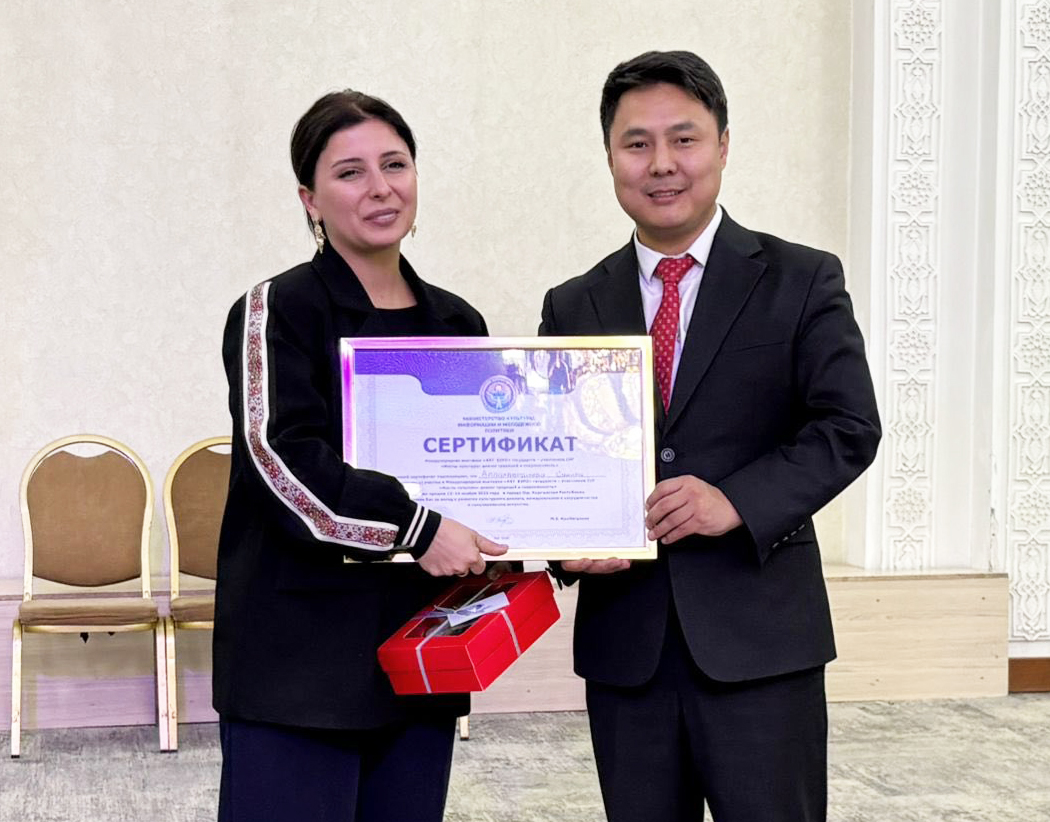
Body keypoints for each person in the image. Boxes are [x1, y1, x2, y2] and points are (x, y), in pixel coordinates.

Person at [539, 51, 881, 822]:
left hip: (761, 643)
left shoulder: (801, 278)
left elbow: (848, 426)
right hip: (628, 651)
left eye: (684, 139)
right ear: (610, 157)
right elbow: (558, 453)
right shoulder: (573, 304)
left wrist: (735, 501)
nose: (661, 164)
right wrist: (566, 543)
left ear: (722, 146)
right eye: (637, 143)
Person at [213, 90, 506, 822]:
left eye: (394, 164)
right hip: (298, 663)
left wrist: (557, 531)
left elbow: (487, 467)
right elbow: (281, 462)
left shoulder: (458, 323)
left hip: (420, 649)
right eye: (350, 172)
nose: (380, 187)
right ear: (309, 199)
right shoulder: (277, 310)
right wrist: (418, 528)